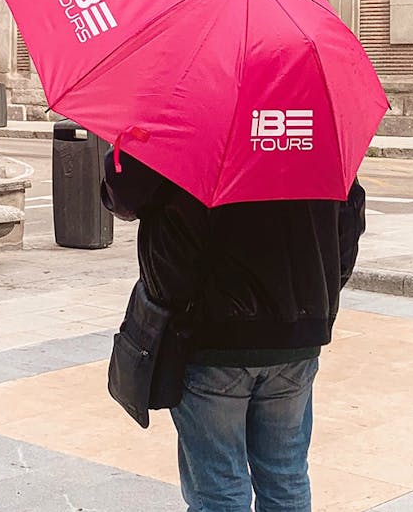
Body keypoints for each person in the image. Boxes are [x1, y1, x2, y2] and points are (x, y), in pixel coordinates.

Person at [103, 151, 366, 510]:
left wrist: (124, 145)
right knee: (285, 474)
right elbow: (348, 220)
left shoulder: (186, 119)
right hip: (297, 337)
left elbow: (124, 196)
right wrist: (316, 298)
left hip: (210, 334)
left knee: (219, 486)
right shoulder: (316, 125)